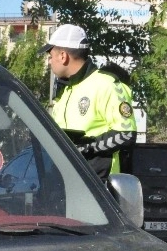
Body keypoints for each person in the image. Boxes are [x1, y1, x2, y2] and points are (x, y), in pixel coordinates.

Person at [41, 24, 137, 180]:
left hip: (99, 187)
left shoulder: (107, 84)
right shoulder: (65, 90)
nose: (49, 62)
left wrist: (86, 147)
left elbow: (126, 134)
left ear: (63, 56)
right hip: (67, 182)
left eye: (50, 56)